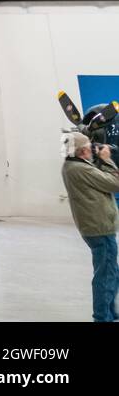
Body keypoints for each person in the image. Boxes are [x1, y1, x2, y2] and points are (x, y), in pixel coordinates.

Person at [62, 131, 119, 322]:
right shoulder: (81, 169)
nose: (92, 152)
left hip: (95, 228)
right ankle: (102, 317)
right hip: (100, 229)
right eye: (88, 149)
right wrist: (107, 160)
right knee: (105, 275)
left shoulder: (71, 166)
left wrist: (99, 160)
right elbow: (115, 183)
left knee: (111, 271)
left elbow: (97, 176)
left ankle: (109, 312)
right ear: (82, 151)